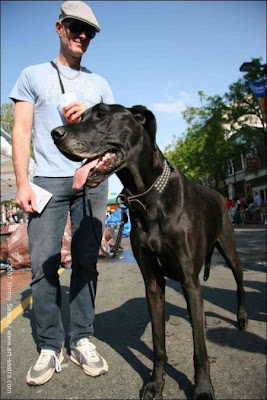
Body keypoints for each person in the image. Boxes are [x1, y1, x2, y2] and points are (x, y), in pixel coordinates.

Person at [10, 1, 115, 386]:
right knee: (42, 265)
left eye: (89, 31)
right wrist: (23, 182)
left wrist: (89, 114)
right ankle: (51, 345)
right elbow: (21, 131)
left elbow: (113, 133)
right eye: (75, 27)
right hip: (48, 183)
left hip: (91, 181)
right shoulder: (32, 75)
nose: (82, 35)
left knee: (87, 262)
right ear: (59, 27)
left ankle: (82, 338)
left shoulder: (100, 84)